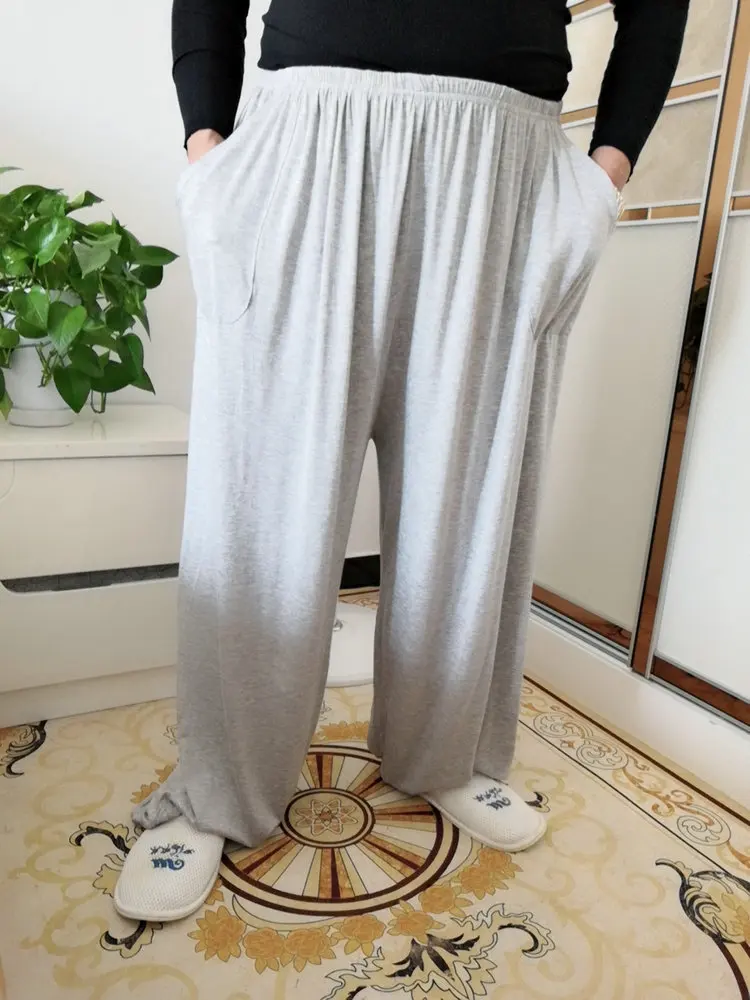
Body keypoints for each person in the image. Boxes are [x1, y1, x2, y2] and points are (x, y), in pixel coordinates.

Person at [114, 0, 689, 922]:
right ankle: (218, 787)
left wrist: (605, 173)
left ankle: (444, 752)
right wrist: (207, 152)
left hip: (503, 160)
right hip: (309, 140)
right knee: (261, 501)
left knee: (467, 500)